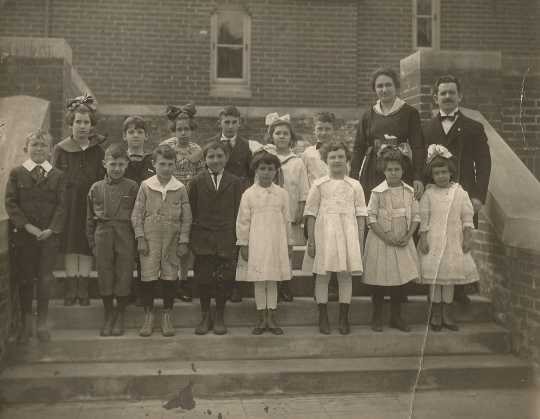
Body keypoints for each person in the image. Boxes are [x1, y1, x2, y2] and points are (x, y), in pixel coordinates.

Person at [422, 74, 491, 305]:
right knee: (435, 239)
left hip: (463, 194)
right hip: (435, 195)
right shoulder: (426, 129)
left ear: (460, 96)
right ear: (435, 97)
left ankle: (459, 289)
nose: (448, 96)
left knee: (460, 240)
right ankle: (436, 291)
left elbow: (484, 163)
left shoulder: (473, 127)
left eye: (452, 92)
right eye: (443, 93)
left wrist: (479, 195)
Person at [5, 130, 66, 343]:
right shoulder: (17, 173)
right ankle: (26, 324)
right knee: (25, 279)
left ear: (50, 150)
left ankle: (42, 323)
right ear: (26, 149)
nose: (39, 149)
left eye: (43, 145)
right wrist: (27, 226)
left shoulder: (58, 176)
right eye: (35, 145)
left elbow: (62, 205)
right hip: (25, 237)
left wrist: (52, 229)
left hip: (49, 238)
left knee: (45, 280)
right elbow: (11, 203)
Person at [303, 141, 367, 335]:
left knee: (345, 276)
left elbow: (361, 217)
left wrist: (360, 242)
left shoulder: (355, 185)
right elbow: (311, 214)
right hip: (325, 235)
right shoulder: (319, 184)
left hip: (348, 234)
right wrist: (312, 241)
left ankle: (343, 317)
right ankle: (323, 317)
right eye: (332, 157)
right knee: (322, 276)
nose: (337, 160)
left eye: (341, 156)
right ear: (325, 160)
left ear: (347, 160)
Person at [131, 144, 192, 337]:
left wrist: (183, 240)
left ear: (175, 165)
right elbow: (137, 214)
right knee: (148, 276)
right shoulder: (146, 186)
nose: (166, 168)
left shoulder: (180, 188)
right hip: (150, 238)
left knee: (170, 276)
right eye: (162, 164)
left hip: (172, 239)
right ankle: (149, 315)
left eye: (170, 164)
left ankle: (167, 314)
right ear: (154, 164)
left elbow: (187, 217)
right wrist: (140, 237)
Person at [417, 145, 479, 331]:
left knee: (449, 278)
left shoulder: (460, 193)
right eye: (437, 173)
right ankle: (435, 313)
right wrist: (423, 238)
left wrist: (467, 238)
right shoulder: (428, 194)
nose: (441, 176)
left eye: (444, 172)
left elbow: (467, 217)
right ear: (432, 175)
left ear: (450, 172)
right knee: (436, 279)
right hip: (435, 239)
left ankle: (447, 313)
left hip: (453, 239)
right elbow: (424, 218)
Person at [52, 94, 106, 306]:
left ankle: (83, 287)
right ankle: (71, 287)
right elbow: (54, 179)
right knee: (70, 245)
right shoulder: (61, 149)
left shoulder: (97, 150)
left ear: (91, 125)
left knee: (85, 244)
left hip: (90, 206)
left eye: (86, 122)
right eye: (78, 122)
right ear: (70, 124)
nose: (82, 126)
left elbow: (103, 178)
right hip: (69, 205)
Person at [363, 146, 420, 332]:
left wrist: (408, 235)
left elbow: (416, 217)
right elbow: (370, 218)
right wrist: (386, 237)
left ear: (403, 170)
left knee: (400, 279)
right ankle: (376, 316)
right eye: (389, 169)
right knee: (380, 278)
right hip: (381, 241)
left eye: (397, 169)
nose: (393, 173)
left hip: (402, 241)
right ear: (383, 170)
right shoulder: (377, 192)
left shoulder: (410, 192)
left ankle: (397, 317)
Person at [236, 150, 293, 335]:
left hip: (276, 242)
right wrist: (243, 243)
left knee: (273, 280)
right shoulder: (249, 194)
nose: (266, 172)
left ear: (276, 171)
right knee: (260, 280)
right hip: (257, 242)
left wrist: (289, 242)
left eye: (270, 168)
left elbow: (287, 220)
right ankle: (261, 317)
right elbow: (243, 221)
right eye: (262, 168)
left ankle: (271, 317)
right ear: (256, 170)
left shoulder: (282, 194)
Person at [189, 141, 243, 335]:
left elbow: (239, 212)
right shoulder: (196, 181)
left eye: (220, 156)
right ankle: (205, 315)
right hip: (203, 238)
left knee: (225, 278)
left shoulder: (235, 182)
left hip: (226, 237)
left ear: (226, 158)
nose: (215, 160)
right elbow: (192, 211)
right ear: (205, 160)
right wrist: (193, 238)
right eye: (211, 156)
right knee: (204, 278)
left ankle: (219, 314)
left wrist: (238, 238)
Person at [350, 67, 425, 202]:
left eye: (388, 85)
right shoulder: (368, 115)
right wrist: (353, 178)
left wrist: (418, 176)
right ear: (375, 89)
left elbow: (418, 147)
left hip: (401, 170)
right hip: (373, 171)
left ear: (396, 86)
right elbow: (358, 148)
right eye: (380, 86)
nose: (384, 89)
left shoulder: (410, 113)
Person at [87, 144, 138, 337]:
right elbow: (89, 219)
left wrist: (136, 241)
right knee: (105, 275)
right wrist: (92, 243)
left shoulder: (133, 186)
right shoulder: (96, 188)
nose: (116, 168)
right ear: (104, 164)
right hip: (103, 235)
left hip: (125, 234)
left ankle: (120, 314)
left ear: (126, 165)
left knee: (124, 274)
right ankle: (109, 314)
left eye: (121, 164)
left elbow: (138, 215)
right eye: (113, 164)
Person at [203, 105, 252, 303]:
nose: (230, 126)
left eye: (234, 122)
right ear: (220, 123)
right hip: (215, 200)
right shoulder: (210, 145)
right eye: (226, 122)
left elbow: (250, 173)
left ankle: (234, 286)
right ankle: (215, 285)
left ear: (239, 123)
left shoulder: (247, 146)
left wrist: (244, 191)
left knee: (235, 242)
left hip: (237, 199)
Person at [161, 104, 205, 303]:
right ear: (174, 130)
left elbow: (202, 175)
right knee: (171, 240)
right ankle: (170, 281)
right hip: (171, 198)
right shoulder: (167, 147)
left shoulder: (197, 149)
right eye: (179, 129)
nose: (183, 133)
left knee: (186, 243)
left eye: (187, 129)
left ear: (192, 129)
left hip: (191, 200)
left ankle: (184, 279)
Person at [265, 113, 309, 302]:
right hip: (268, 212)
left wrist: (301, 207)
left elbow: (303, 187)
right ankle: (271, 283)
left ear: (291, 138)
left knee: (287, 249)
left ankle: (285, 283)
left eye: (285, 133)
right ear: (271, 136)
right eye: (278, 133)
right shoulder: (265, 158)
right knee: (271, 248)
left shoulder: (297, 161)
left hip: (289, 211)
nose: (282, 136)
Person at [301, 111, 341, 301]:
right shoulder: (308, 153)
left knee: (333, 244)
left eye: (327, 129)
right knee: (316, 243)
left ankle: (333, 284)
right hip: (315, 203)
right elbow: (304, 178)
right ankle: (317, 283)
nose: (323, 133)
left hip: (334, 203)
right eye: (320, 129)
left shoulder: (339, 152)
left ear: (333, 130)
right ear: (314, 130)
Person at [122, 115, 155, 306]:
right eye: (131, 132)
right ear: (124, 136)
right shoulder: (120, 160)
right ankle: (127, 292)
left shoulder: (152, 161)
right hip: (125, 215)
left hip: (147, 215)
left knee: (145, 255)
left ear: (146, 136)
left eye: (140, 132)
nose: (135, 136)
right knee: (127, 255)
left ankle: (145, 295)